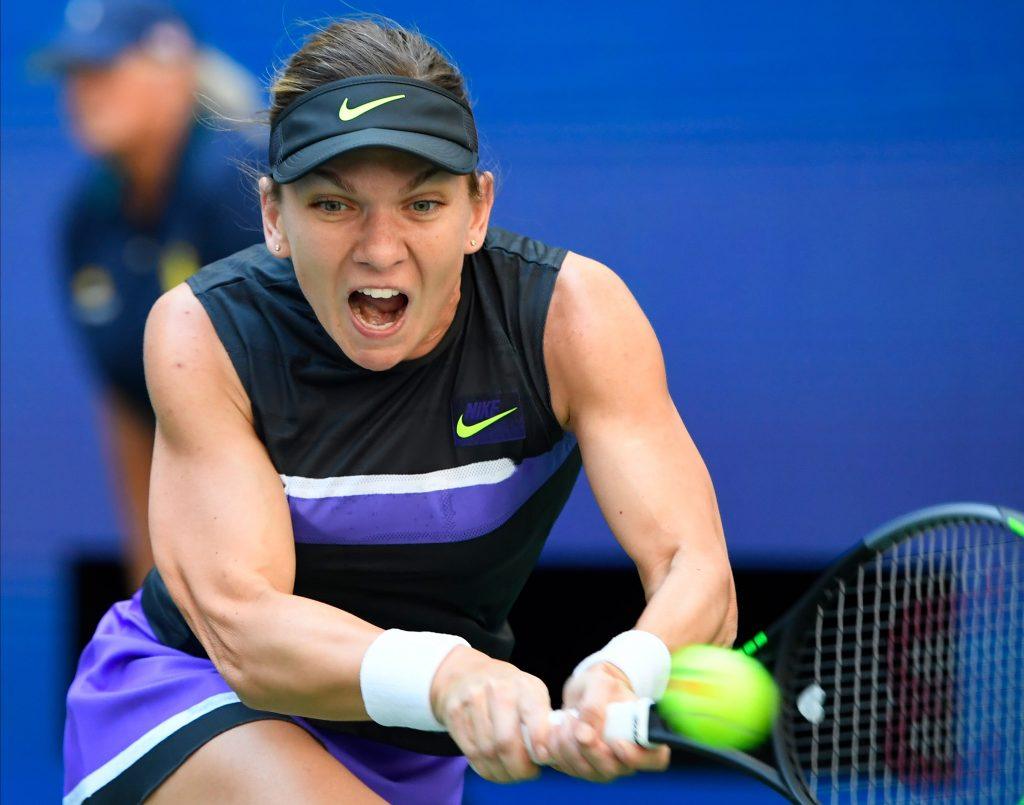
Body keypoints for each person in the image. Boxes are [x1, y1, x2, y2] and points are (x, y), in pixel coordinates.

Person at [62, 17, 738, 804]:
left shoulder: (575, 317)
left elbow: (697, 569)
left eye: (421, 204)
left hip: (409, 743)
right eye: (334, 205)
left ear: (477, 208)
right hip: (196, 698)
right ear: (274, 217)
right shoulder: (202, 330)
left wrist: (629, 669)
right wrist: (447, 673)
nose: (380, 248)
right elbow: (246, 629)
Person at [36, 0, 263, 588]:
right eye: (74, 76)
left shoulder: (242, 186)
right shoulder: (85, 220)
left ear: (174, 70)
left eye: (104, 70)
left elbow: (302, 399)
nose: (83, 92)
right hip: (203, 550)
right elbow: (128, 411)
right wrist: (152, 599)